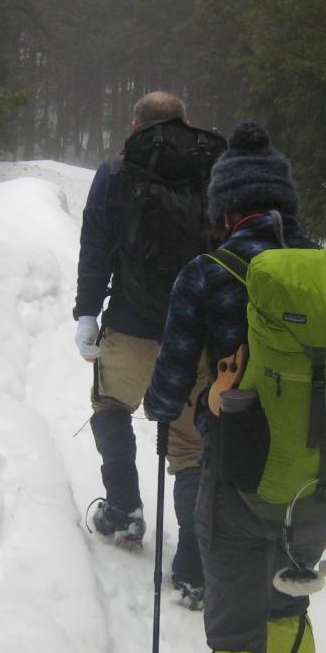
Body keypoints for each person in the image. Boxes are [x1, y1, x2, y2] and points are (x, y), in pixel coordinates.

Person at [143, 122, 326, 653]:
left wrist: (196, 400)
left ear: (225, 210)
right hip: (321, 485)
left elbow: (164, 390)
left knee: (234, 632)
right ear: (287, 203)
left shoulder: (206, 273)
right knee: (287, 598)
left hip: (238, 481)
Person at [72, 90, 214, 603]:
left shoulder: (115, 172)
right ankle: (193, 564)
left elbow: (95, 245)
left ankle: (124, 511)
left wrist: (87, 312)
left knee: (110, 405)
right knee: (190, 446)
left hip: (129, 325)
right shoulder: (211, 169)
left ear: (135, 127)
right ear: (187, 122)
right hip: (193, 337)